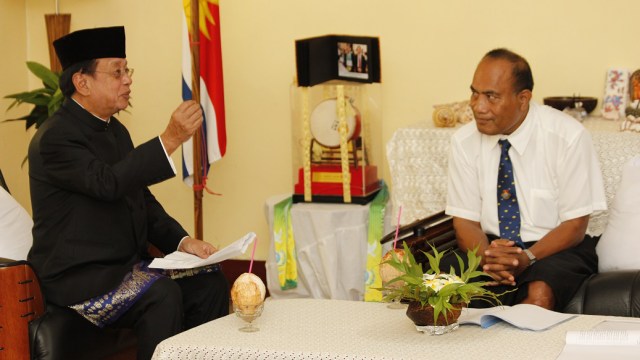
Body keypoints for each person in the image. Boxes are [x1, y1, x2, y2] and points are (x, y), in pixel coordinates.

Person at [27, 26, 229, 360]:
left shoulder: (116, 131)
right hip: (80, 281)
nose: (127, 80)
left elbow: (141, 202)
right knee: (161, 295)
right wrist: (170, 139)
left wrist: (183, 242)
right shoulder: (55, 139)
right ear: (82, 82)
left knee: (209, 281)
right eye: (117, 72)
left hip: (124, 271)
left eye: (127, 70)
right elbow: (108, 184)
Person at [444, 48, 606, 311]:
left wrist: (527, 258)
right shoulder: (463, 142)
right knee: (440, 286)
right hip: (488, 246)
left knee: (539, 292)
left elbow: (575, 225)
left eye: (491, 96)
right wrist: (489, 260)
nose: (478, 106)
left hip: (554, 247)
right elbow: (465, 221)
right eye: (475, 93)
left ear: (523, 98)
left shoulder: (567, 137)